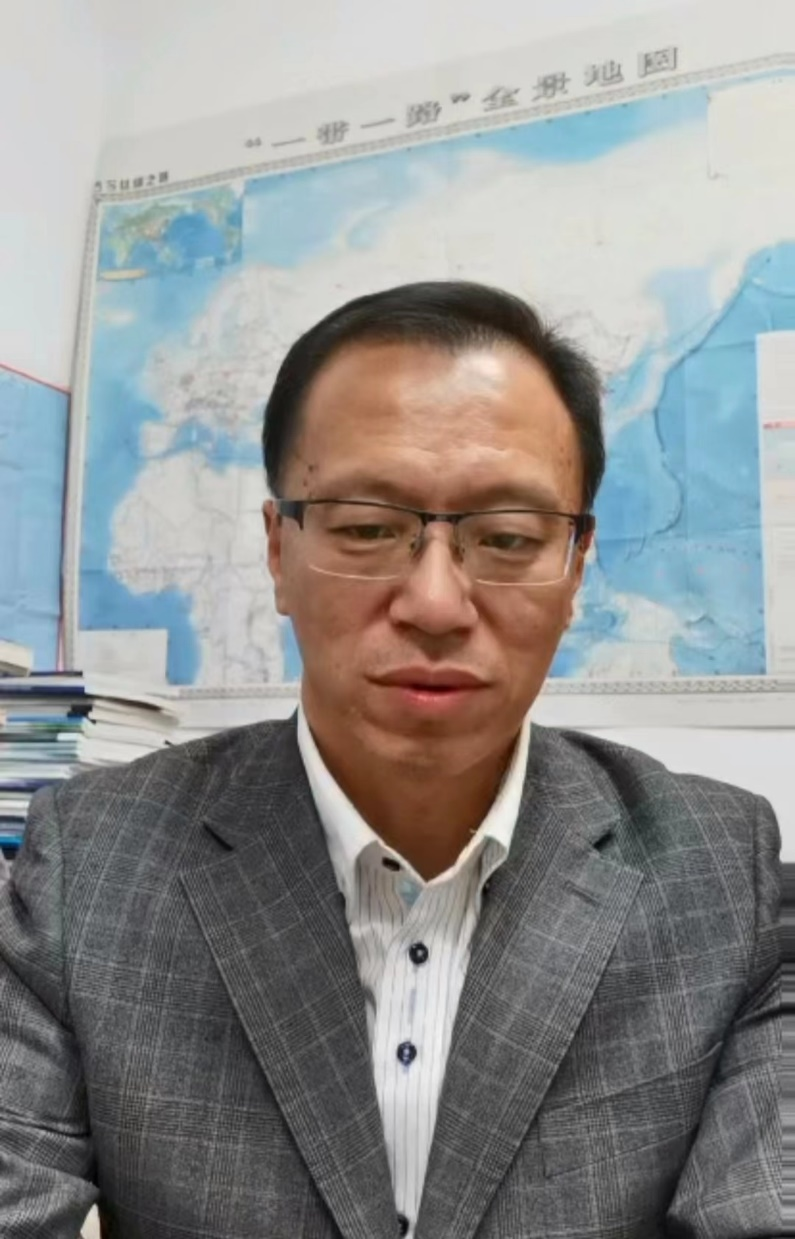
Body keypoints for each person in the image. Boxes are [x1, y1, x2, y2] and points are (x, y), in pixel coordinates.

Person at [0, 282, 780, 1238]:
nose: (436, 604)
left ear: (575, 567)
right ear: (277, 551)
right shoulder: (91, 863)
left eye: (507, 537)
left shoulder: (720, 872)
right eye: (367, 528)